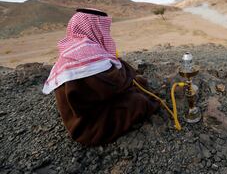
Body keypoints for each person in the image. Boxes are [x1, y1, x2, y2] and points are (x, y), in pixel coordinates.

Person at [42, 8, 159, 146]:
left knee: (136, 84)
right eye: (103, 27)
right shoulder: (87, 53)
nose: (106, 32)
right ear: (94, 27)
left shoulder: (74, 49)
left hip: (85, 113)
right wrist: (129, 75)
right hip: (88, 127)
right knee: (139, 101)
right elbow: (115, 84)